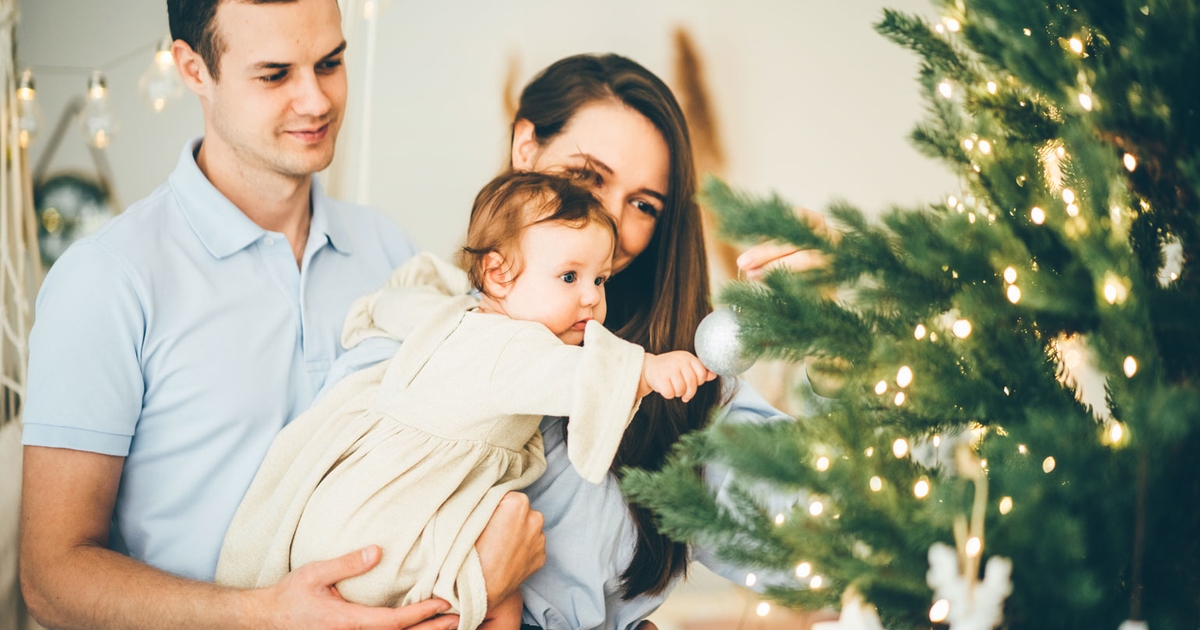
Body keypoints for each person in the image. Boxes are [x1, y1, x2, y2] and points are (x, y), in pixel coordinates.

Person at [18, 1, 544, 629]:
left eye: (330, 63)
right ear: (192, 69)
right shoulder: (106, 279)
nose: (316, 100)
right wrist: (260, 615)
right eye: (274, 75)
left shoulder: (393, 255)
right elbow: (51, 579)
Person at [321, 54, 828, 630]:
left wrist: (836, 343)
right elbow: (329, 554)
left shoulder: (680, 382)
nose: (608, 223)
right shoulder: (414, 330)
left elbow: (832, 543)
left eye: (642, 205)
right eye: (587, 176)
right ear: (525, 149)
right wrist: (479, 583)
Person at [216, 171, 716, 630]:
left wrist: (374, 309)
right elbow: (573, 375)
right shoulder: (513, 346)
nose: (591, 297)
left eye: (599, 279)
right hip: (383, 537)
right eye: (569, 277)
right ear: (499, 274)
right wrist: (647, 369)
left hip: (342, 521)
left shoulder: (456, 316)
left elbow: (397, 304)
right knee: (505, 599)